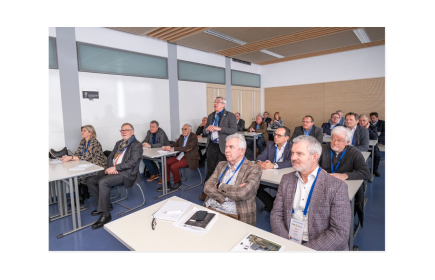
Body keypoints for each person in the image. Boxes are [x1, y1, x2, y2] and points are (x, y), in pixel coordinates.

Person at [270, 135, 351, 251]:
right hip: (289, 240)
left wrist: (303, 251)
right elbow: (276, 214)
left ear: (314, 157)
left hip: (320, 246)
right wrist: (287, 244)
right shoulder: (286, 179)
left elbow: (339, 233)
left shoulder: (337, 186)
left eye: (299, 154)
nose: (293, 157)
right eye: (292, 153)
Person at [86, 123, 143, 229]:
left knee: (103, 182)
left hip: (127, 173)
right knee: (90, 180)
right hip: (115, 170)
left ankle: (106, 214)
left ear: (132, 131)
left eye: (126, 130)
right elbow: (111, 156)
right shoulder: (119, 143)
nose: (123, 132)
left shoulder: (136, 145)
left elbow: (133, 162)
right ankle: (103, 205)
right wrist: (112, 168)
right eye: (122, 130)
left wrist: (117, 168)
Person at [203, 133, 262, 226]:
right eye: (226, 147)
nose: (226, 150)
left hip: (234, 215)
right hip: (211, 208)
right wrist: (225, 197)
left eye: (231, 147)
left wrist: (219, 185)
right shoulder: (221, 165)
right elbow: (207, 186)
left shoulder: (254, 168)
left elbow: (242, 193)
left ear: (242, 151)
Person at [318, 126, 370, 228]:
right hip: (324, 185)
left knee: (341, 214)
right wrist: (317, 169)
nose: (335, 143)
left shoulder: (354, 152)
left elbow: (366, 173)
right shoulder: (322, 148)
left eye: (340, 140)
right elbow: (312, 163)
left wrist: (345, 175)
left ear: (347, 142)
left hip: (345, 188)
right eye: (333, 139)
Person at [199, 97, 237, 200]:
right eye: (214, 102)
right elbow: (204, 132)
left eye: (217, 102)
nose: (215, 103)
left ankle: (222, 192)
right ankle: (206, 192)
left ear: (223, 104)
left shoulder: (230, 116)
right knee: (210, 170)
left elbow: (233, 130)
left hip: (223, 147)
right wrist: (207, 130)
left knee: (224, 170)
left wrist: (218, 128)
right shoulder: (211, 116)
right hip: (212, 145)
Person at [61, 125, 107, 204]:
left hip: (98, 166)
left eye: (84, 131)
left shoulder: (94, 143)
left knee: (80, 176)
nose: (82, 132)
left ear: (90, 133)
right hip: (87, 164)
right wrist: (69, 157)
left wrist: (71, 158)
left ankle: (82, 196)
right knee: (75, 176)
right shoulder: (82, 142)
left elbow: (86, 157)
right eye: (82, 130)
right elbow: (77, 153)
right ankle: (81, 195)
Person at [255, 127, 292, 212]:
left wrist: (274, 165)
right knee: (256, 187)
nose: (275, 137)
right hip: (270, 176)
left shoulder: (292, 146)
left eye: (279, 135)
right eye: (275, 134)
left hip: (284, 177)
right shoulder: (270, 144)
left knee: (285, 192)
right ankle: (271, 206)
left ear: (286, 138)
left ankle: (275, 207)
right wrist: (260, 162)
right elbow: (262, 156)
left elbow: (291, 162)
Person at [161, 124, 199, 191]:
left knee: (173, 166)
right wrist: (168, 147)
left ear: (190, 130)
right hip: (181, 155)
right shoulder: (181, 136)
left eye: (185, 129)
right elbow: (175, 144)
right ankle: (167, 183)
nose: (183, 131)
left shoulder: (193, 137)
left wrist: (174, 149)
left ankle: (177, 182)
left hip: (190, 158)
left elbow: (187, 148)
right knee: (165, 162)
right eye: (182, 129)